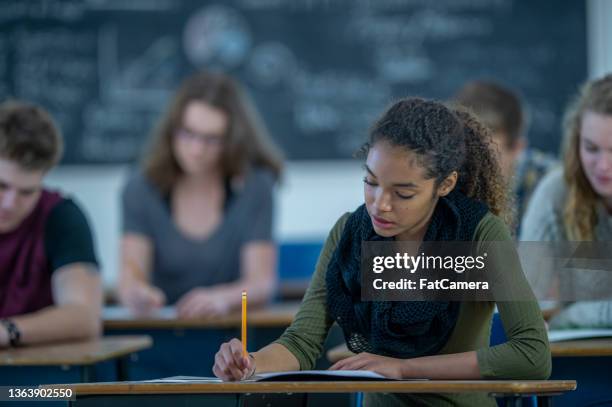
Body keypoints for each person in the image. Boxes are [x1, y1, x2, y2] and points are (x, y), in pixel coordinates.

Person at [212, 98, 551, 406]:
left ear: (445, 184)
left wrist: (405, 369)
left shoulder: (478, 233)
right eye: (371, 183)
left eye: (403, 194)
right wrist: (250, 362)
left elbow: (532, 354)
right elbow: (302, 343)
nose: (380, 205)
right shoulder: (349, 234)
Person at [118, 72, 283, 318]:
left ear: (232, 140)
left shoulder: (255, 187)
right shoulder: (140, 187)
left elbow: (261, 284)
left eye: (212, 139)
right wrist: (136, 294)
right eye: (188, 133)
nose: (196, 149)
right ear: (171, 129)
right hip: (160, 330)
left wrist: (223, 298)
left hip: (233, 332)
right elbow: (131, 277)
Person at [0, 101, 102, 348]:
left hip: (35, 381)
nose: (10, 204)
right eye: (1, 186)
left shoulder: (61, 217)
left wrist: (7, 331)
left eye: (27, 192)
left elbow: (84, 317)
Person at [520, 74, 612, 329]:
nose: (603, 166)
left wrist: (570, 316)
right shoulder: (555, 193)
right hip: (579, 359)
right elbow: (522, 305)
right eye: (591, 148)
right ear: (576, 143)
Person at [454, 80, 557, 234]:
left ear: (518, 148)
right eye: (463, 151)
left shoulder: (554, 186)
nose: (471, 166)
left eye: (486, 156)